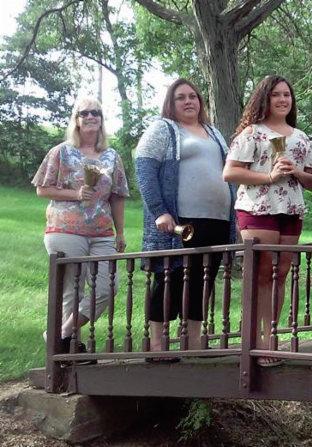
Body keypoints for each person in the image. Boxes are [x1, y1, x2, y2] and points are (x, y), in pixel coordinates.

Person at [135, 78, 236, 362]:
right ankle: (157, 345)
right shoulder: (163, 129)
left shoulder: (213, 132)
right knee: (170, 279)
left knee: (204, 280)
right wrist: (159, 211)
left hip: (217, 220)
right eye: (181, 97)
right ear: (171, 102)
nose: (188, 101)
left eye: (193, 96)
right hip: (180, 222)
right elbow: (144, 171)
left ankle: (193, 341)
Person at [223, 75, 312, 366]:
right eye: (276, 94)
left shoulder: (301, 137)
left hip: (291, 210)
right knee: (261, 275)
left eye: (286, 94)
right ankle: (256, 342)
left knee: (281, 274)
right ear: (265, 98)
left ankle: (272, 336)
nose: (282, 99)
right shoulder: (252, 133)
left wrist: (297, 172)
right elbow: (230, 172)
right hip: (258, 209)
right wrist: (269, 176)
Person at [33, 98, 129, 359]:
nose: (90, 116)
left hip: (102, 232)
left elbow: (118, 195)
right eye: (84, 113)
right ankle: (70, 349)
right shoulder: (61, 152)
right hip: (66, 229)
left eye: (95, 112)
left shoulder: (112, 156)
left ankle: (60, 334)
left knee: (108, 286)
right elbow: (42, 188)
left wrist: (120, 232)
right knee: (73, 290)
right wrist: (75, 194)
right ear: (76, 120)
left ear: (102, 119)